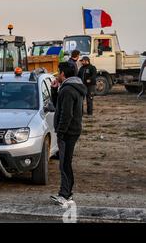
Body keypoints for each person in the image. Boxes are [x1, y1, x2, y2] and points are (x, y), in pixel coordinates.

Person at [50, 62, 87, 206]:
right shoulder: (73, 87)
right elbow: (58, 106)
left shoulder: (67, 90)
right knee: (66, 163)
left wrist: (60, 132)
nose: (57, 75)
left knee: (64, 164)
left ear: (63, 74)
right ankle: (67, 194)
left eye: (59, 72)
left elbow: (66, 114)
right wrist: (54, 91)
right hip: (73, 131)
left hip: (68, 133)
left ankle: (64, 195)